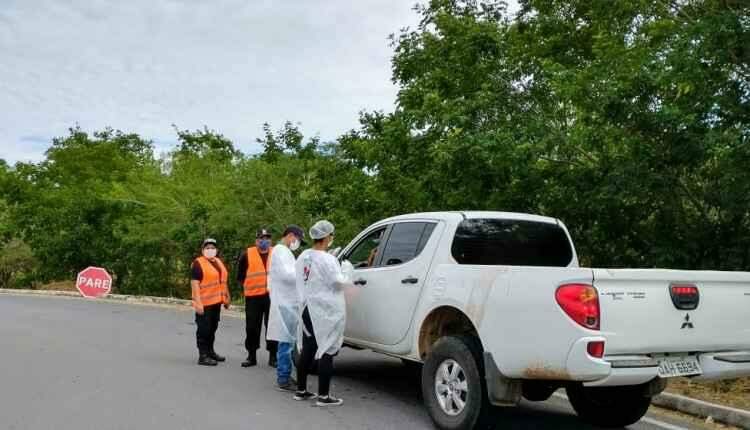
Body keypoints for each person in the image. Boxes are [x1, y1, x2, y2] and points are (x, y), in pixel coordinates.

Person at [293, 220, 353, 407]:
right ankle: (324, 396)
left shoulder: (304, 255)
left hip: (307, 309)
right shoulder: (328, 260)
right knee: (328, 348)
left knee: (309, 348)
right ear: (326, 237)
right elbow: (338, 283)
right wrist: (347, 270)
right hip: (325, 311)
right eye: (331, 235)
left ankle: (301, 391)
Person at [266, 225, 307, 391]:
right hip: (285, 302)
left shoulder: (283, 252)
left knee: (288, 341)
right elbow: (288, 275)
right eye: (297, 240)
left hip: (288, 301)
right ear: (291, 236)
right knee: (286, 342)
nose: (296, 243)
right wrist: (304, 272)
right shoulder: (280, 251)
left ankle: (286, 375)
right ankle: (283, 378)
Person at [237, 228, 278, 367]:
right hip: (253, 297)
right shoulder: (247, 254)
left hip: (272, 296)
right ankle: (251, 356)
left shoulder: (277, 254)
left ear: (271, 240)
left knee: (272, 327)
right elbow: (241, 276)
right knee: (252, 327)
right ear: (256, 240)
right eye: (261, 238)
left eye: (267, 238)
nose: (264, 241)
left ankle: (273, 357)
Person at [190, 238, 230, 366]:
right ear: (202, 250)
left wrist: (227, 297)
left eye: (212, 247)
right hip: (204, 303)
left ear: (216, 250)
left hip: (216, 302)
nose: (210, 250)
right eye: (207, 248)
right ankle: (203, 355)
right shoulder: (198, 263)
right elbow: (194, 284)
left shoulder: (218, 262)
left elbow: (223, 281)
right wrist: (198, 303)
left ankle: (210, 351)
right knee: (203, 329)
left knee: (213, 328)